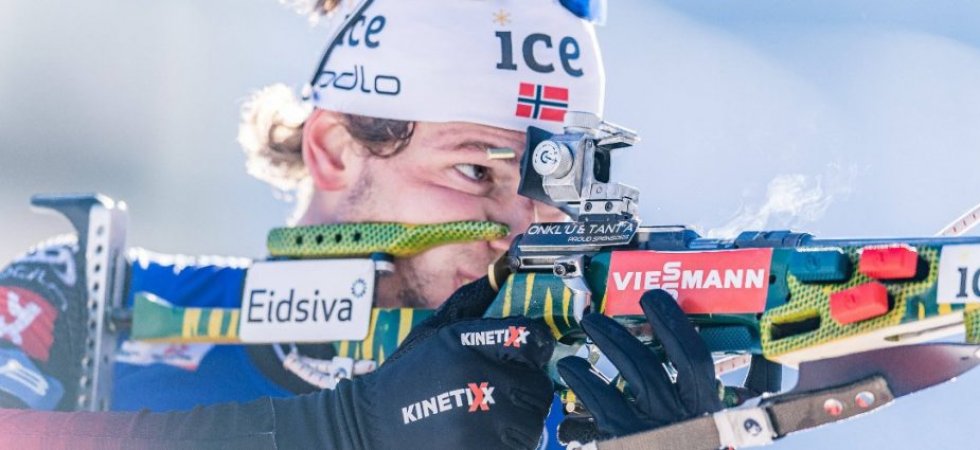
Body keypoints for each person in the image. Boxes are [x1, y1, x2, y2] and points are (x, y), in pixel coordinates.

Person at [0, 0, 729, 448]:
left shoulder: (553, 398)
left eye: (547, 193)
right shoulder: (75, 297)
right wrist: (341, 435)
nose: (518, 231)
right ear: (335, 152)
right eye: (476, 173)